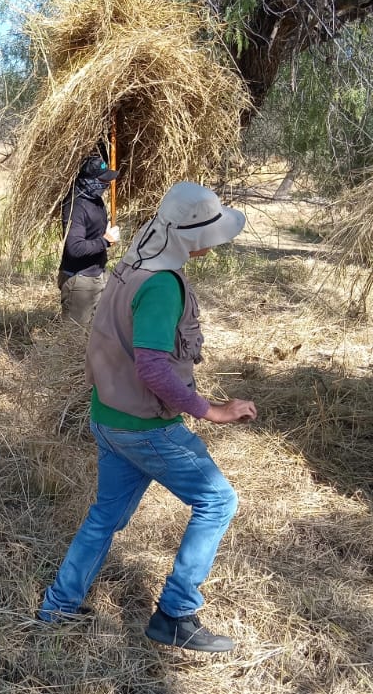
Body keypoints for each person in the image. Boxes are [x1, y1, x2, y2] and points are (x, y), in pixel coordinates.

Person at [39, 181, 257, 653]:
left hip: (107, 416)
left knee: (104, 517)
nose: (214, 243)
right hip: (144, 427)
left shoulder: (133, 263)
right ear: (191, 237)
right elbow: (153, 368)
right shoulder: (161, 285)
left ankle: (57, 607)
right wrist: (212, 411)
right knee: (218, 501)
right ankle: (175, 614)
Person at [58, 154, 121, 327]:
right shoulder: (75, 206)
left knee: (97, 333)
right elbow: (75, 247)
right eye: (102, 180)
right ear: (89, 180)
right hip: (80, 281)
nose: (106, 184)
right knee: (74, 337)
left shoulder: (96, 200)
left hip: (98, 274)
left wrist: (104, 233)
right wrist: (105, 241)